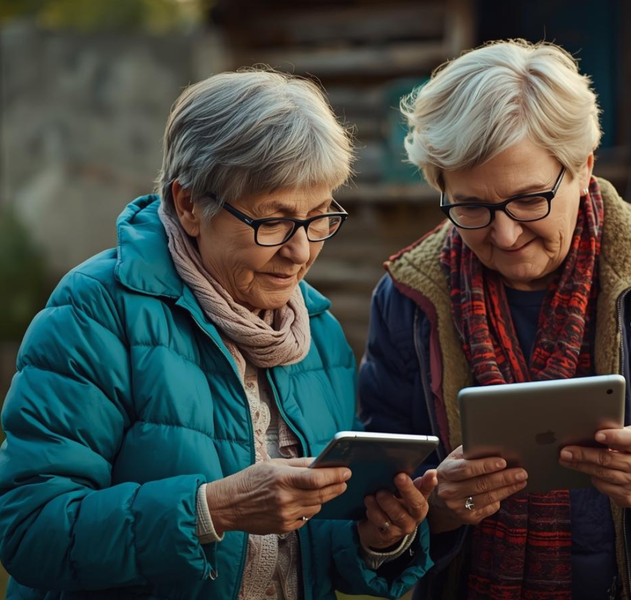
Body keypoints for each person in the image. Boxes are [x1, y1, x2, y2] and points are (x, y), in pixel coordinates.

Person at [359, 40, 631, 600]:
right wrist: (438, 509)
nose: (505, 234)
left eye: (529, 199)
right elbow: (373, 512)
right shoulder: (408, 296)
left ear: (583, 167)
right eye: (471, 208)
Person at [0, 68, 437, 600]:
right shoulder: (96, 311)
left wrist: (377, 538)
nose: (300, 252)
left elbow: (317, 552)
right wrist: (213, 510)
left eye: (319, 217)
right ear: (188, 205)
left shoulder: (317, 332)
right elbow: (29, 530)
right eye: (272, 222)